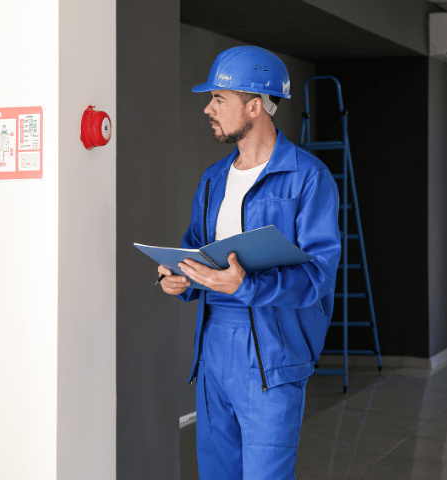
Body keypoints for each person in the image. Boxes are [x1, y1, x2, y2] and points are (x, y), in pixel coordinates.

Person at [158, 46, 341, 479]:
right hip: (213, 349)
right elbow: (196, 250)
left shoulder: (308, 177)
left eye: (219, 99)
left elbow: (318, 274)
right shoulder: (213, 179)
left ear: (254, 106)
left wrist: (247, 287)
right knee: (217, 473)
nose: (208, 108)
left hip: (271, 354)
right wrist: (179, 277)